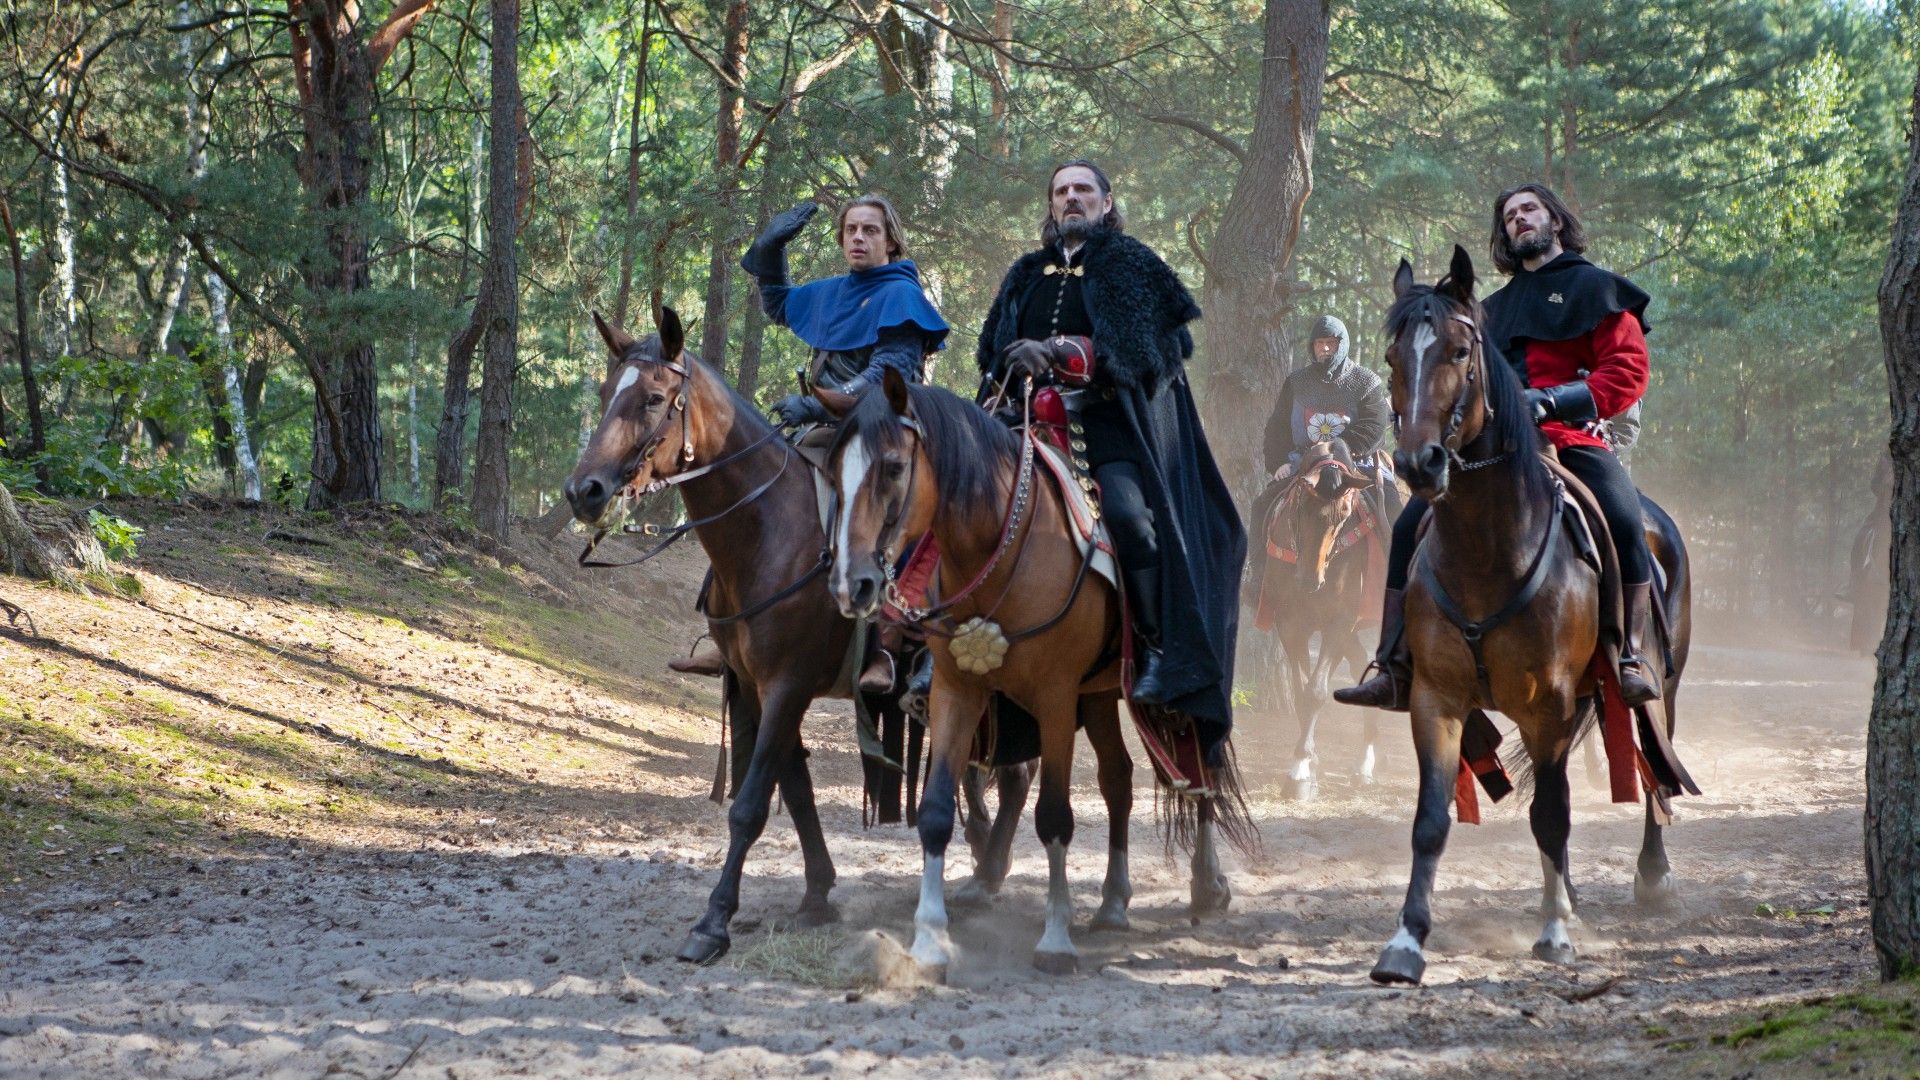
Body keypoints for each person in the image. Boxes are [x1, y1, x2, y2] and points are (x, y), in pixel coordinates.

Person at [1338, 182, 1663, 711]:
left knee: (1625, 519)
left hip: (1572, 440)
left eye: (1529, 209)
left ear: (1555, 221)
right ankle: (1393, 664)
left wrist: (1554, 402)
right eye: (1509, 215)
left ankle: (1629, 655)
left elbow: (1626, 374)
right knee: (1405, 528)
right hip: (1492, 449)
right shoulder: (1484, 310)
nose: (1519, 219)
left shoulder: (1601, 290)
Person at [974, 158, 1245, 757]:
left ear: (1106, 200)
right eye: (1061, 191)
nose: (1072, 199)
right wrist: (1011, 362)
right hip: (1018, 424)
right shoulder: (1024, 273)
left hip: (1105, 425)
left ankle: (1154, 651)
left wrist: (1059, 350)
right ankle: (926, 647)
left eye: (1083, 190)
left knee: (1129, 520)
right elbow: (990, 352)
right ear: (1051, 206)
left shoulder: (1132, 265)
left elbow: (1150, 353)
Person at [672, 194, 949, 689]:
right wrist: (771, 251)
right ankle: (726, 630)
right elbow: (779, 303)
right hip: (824, 432)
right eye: (851, 231)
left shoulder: (902, 296)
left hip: (884, 433)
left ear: (890, 240)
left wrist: (821, 404)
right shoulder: (835, 293)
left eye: (870, 230)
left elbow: (889, 372)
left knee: (892, 511)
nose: (859, 238)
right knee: (752, 500)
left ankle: (894, 642)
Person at [1248, 314, 1396, 539]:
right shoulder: (1296, 383)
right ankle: (1259, 574)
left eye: (1331, 343)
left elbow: (1373, 426)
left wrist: (1337, 451)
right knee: (1261, 508)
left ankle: (1399, 572)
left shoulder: (1366, 382)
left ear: (1342, 344)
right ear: (1312, 346)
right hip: (1304, 464)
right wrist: (1279, 462)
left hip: (1356, 463)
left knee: (1394, 509)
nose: (1325, 348)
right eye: (1320, 343)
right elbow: (1277, 427)